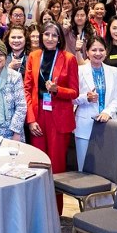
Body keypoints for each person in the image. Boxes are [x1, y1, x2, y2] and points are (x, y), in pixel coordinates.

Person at [26, 21, 80, 174]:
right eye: (47, 34)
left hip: (59, 116)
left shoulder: (69, 58)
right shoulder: (34, 56)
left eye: (54, 35)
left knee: (56, 166)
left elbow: (74, 92)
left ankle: (56, 199)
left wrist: (57, 90)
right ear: (41, 36)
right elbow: (27, 89)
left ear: (59, 38)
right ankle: (38, 198)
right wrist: (30, 119)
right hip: (38, 115)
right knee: (38, 164)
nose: (50, 38)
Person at [74, 36, 117, 167]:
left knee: (106, 166)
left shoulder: (114, 71)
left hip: (108, 123)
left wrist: (107, 112)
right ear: (87, 52)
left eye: (101, 50)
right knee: (84, 165)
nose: (97, 53)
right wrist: (86, 98)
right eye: (93, 50)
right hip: (85, 124)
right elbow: (71, 98)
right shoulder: (78, 71)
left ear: (106, 52)